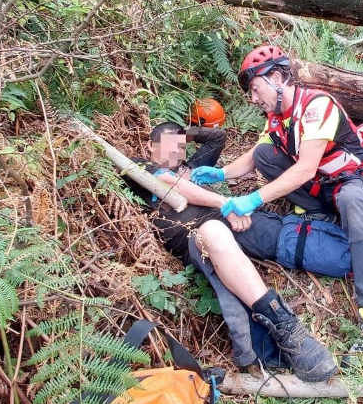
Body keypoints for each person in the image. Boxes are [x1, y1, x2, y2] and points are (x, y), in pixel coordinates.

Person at [190, 46, 363, 343]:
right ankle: (320, 213)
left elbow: (304, 169)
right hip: (322, 186)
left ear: (276, 77)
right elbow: (253, 157)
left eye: (255, 89)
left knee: (351, 201)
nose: (253, 98)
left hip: (351, 182)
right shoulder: (276, 117)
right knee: (265, 153)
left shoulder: (316, 106)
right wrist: (222, 173)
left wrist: (253, 200)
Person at [124, 121, 337, 382]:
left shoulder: (192, 167)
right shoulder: (139, 167)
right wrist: (227, 203)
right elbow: (172, 186)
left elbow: (217, 137)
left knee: (292, 238)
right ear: (149, 146)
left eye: (179, 148)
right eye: (167, 146)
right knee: (214, 231)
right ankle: (286, 326)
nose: (175, 152)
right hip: (199, 232)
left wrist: (183, 136)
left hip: (231, 219)